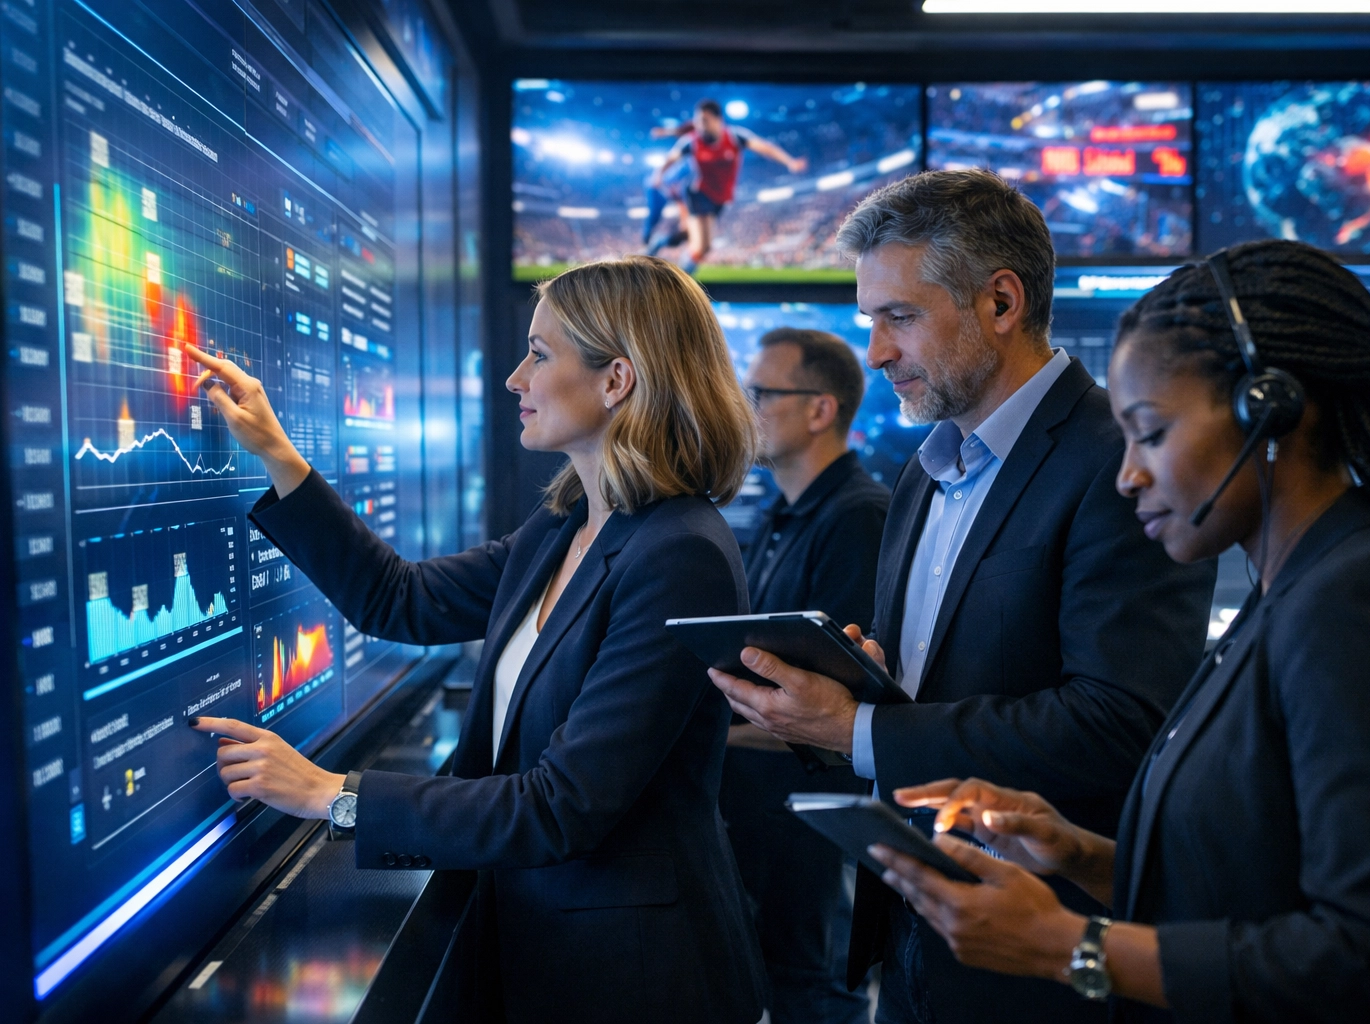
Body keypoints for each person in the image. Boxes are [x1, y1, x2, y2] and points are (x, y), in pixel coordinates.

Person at [869, 239, 1370, 1024]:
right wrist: (1076, 853)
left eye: (1149, 434)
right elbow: (1254, 883)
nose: (1129, 475)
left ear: (1269, 409)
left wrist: (1071, 948)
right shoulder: (1291, 587)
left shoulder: (1365, 596)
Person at [182, 256, 769, 1024]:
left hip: (634, 979)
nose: (515, 379)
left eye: (540, 353)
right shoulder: (567, 526)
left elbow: (564, 805)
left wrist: (334, 796)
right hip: (546, 947)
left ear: (617, 379)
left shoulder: (679, 552)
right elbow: (403, 600)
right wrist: (277, 455)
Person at [708, 168, 1216, 1024]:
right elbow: (947, 691)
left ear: (1002, 303)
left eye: (899, 318)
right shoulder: (923, 469)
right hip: (915, 928)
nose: (875, 352)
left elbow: (1123, 720)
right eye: (872, 321)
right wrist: (861, 688)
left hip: (1050, 958)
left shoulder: (1112, 462)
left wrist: (860, 727)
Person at [721, 327, 890, 1024]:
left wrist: (702, 734)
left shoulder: (859, 519)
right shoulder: (776, 515)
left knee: (814, 999)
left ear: (821, 410)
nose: (745, 405)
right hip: (765, 841)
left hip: (816, 854)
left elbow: (830, 712)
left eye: (761, 393)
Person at [646, 99, 808, 273]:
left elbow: (765, 148)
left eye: (705, 120)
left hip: (720, 199)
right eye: (698, 122)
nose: (700, 126)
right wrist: (658, 176)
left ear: (718, 119)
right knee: (703, 247)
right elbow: (671, 159)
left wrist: (789, 161)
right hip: (698, 193)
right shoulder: (691, 142)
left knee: (689, 236)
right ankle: (679, 282)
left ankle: (661, 241)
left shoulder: (735, 137)